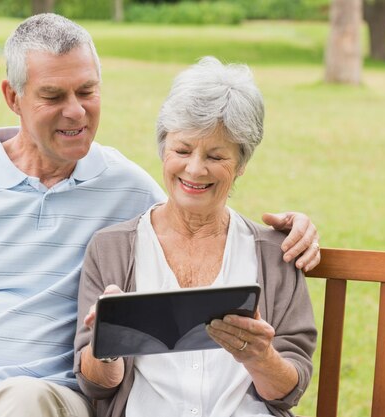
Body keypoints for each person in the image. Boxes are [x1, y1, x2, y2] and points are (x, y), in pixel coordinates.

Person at [0, 14, 319, 417]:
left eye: (87, 91)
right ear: (13, 97)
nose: (76, 111)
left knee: (24, 400)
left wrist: (294, 229)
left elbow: (195, 201)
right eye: (53, 95)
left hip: (44, 401)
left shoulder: (125, 186)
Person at [74, 57, 317, 417]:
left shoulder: (274, 253)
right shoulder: (112, 249)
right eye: (182, 150)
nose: (195, 169)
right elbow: (96, 384)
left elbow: (288, 390)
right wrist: (108, 344)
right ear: (163, 149)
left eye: (216, 156)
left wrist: (260, 357)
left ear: (242, 163)